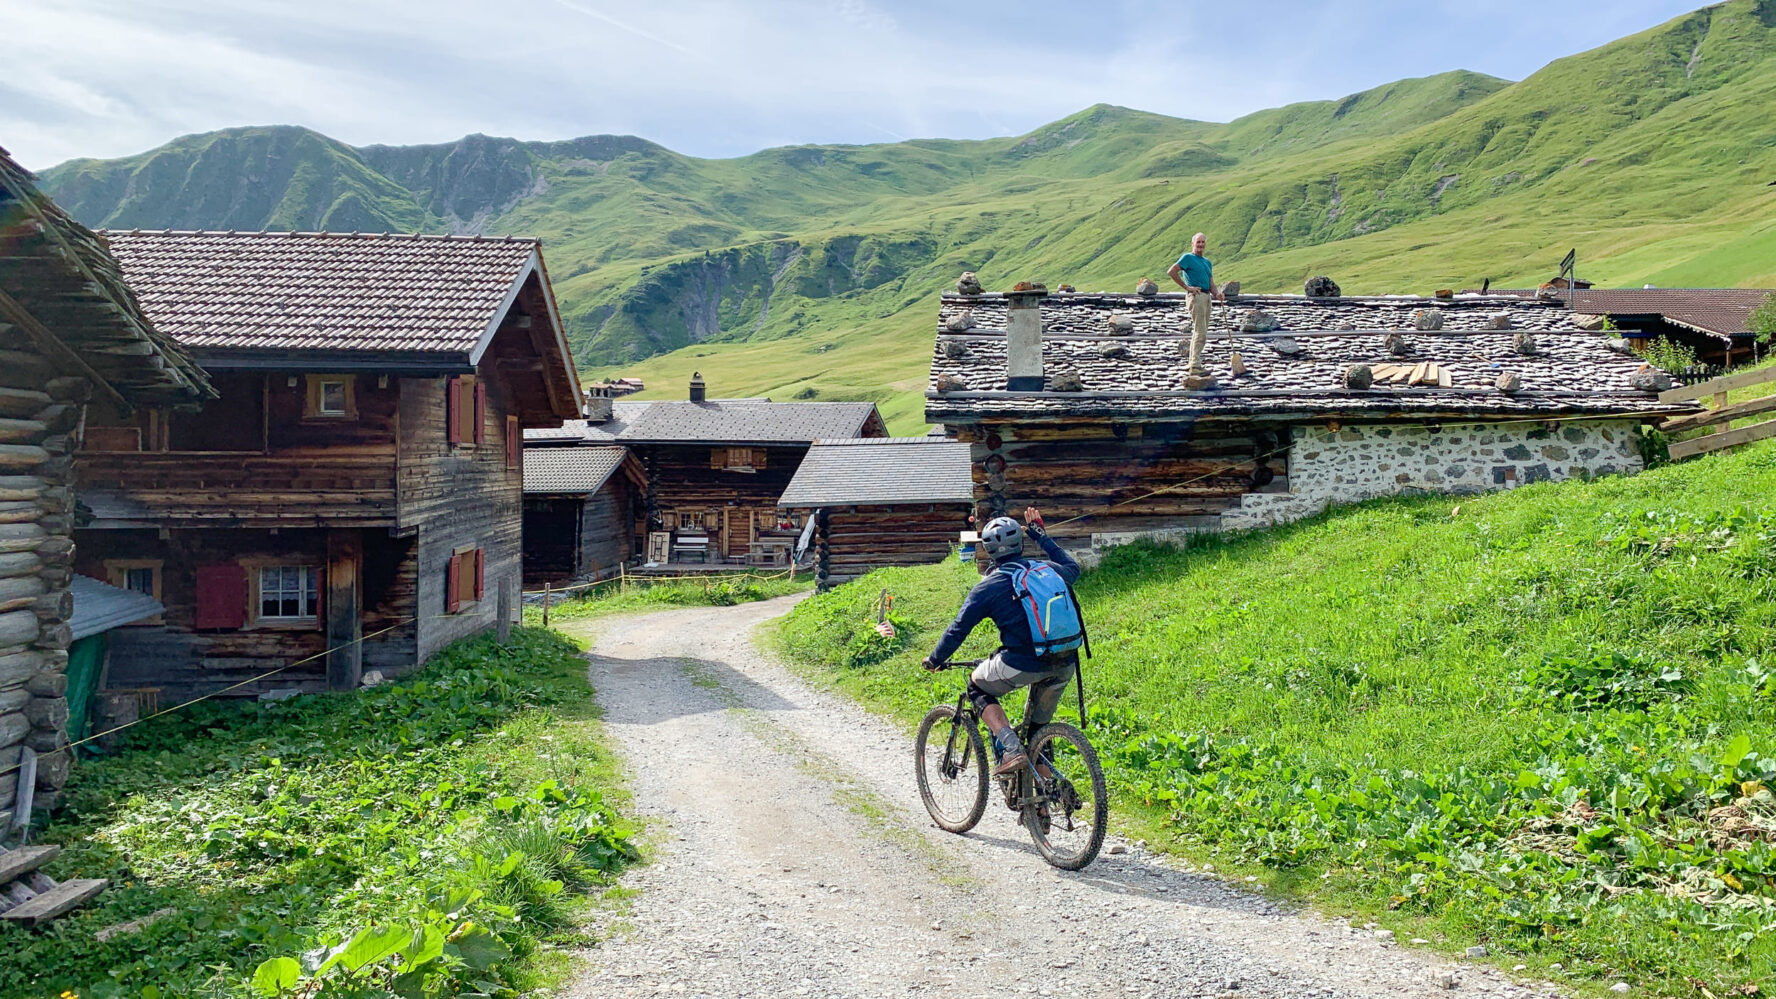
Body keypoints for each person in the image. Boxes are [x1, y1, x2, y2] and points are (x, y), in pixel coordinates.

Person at [922, 506, 1081, 777]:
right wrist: (1041, 536)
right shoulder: (1047, 570)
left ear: (988, 550)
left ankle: (1011, 747)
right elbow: (1073, 568)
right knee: (1037, 732)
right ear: (1020, 543)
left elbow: (958, 629)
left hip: (1022, 663)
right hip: (1065, 660)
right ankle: (1049, 797)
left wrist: (935, 659)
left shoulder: (988, 586)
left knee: (976, 685)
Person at [1165, 232, 1224, 376]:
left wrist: (1217, 294)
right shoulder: (1188, 258)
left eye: (1203, 242)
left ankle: (1193, 362)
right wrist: (1187, 287)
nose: (1201, 244)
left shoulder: (1207, 262)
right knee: (1200, 331)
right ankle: (1195, 365)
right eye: (1198, 242)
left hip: (1207, 296)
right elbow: (1171, 271)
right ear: (1193, 244)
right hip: (1196, 296)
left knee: (1200, 331)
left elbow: (1211, 283)